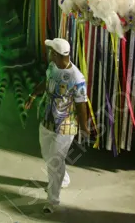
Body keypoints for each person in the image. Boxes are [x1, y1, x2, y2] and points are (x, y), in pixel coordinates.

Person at [23, 38, 89, 214]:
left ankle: (52, 200)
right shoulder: (52, 67)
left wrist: (84, 127)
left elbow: (82, 104)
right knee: (47, 154)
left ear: (58, 54)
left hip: (65, 126)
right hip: (47, 119)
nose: (49, 54)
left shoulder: (76, 77)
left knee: (54, 161)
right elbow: (46, 83)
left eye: (52, 51)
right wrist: (33, 94)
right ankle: (63, 179)